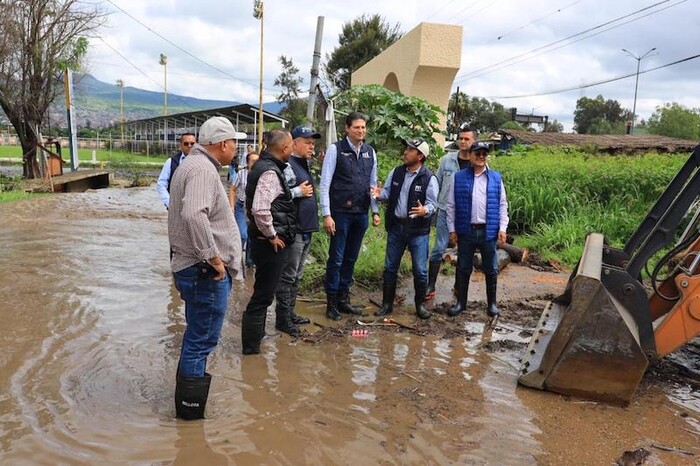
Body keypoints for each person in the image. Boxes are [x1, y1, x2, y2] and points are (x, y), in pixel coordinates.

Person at [168, 117, 245, 420]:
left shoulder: (192, 164)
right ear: (223, 144)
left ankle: (185, 406)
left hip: (192, 267)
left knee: (195, 337)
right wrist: (213, 258)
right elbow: (193, 216)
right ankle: (189, 416)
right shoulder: (201, 169)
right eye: (235, 143)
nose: (236, 149)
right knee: (201, 342)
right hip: (204, 270)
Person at [319, 112, 381, 320]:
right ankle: (332, 302)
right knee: (336, 258)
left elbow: (373, 184)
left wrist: (375, 211)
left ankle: (344, 300)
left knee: (351, 258)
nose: (361, 131)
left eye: (363, 127)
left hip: (361, 213)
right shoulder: (335, 149)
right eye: (357, 127)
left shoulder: (370, 152)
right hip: (340, 213)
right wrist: (327, 214)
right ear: (347, 128)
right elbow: (325, 183)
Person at [242, 128, 297, 354]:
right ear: (284, 148)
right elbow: (259, 209)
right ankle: (251, 349)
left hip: (262, 239)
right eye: (292, 144)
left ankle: (257, 337)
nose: (292, 148)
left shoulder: (264, 167)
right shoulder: (270, 172)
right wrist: (272, 235)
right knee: (263, 295)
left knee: (263, 292)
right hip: (269, 243)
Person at [372, 138, 439, 319]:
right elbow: (386, 193)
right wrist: (379, 195)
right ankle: (387, 304)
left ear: (420, 156)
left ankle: (420, 306)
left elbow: (433, 204)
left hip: (418, 232)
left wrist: (425, 210)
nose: (405, 152)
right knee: (390, 267)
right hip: (396, 228)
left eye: (410, 150)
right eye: (406, 148)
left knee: (420, 270)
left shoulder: (429, 178)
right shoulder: (396, 172)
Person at [446, 141, 509, 318]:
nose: (481, 157)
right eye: (478, 153)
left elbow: (503, 205)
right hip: (466, 230)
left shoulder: (496, 178)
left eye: (484, 154)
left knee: (491, 268)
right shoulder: (459, 177)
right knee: (463, 267)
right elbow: (451, 206)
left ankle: (492, 304)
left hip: (488, 231)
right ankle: (461, 303)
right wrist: (452, 229)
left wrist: (502, 228)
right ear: (471, 155)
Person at [273, 125, 320, 334]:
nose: (312, 147)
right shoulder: (287, 165)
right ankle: (282, 320)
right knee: (288, 275)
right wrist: (298, 191)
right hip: (295, 229)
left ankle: (290, 314)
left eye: (313, 143)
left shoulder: (304, 164)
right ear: (294, 143)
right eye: (308, 142)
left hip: (306, 228)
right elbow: (277, 195)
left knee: (297, 275)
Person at [425, 126, 477, 300]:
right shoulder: (447, 160)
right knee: (439, 248)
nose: (463, 142)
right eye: (461, 138)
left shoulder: (477, 162)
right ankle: (430, 285)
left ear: (473, 141)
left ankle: (458, 286)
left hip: (467, 215)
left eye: (467, 139)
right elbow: (436, 183)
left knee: (464, 251)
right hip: (445, 210)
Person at [229, 151, 259, 268]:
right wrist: (231, 206)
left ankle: (249, 262)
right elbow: (232, 189)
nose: (256, 164)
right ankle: (235, 257)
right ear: (247, 163)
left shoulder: (262, 174)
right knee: (243, 234)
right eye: (253, 161)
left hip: (255, 208)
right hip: (241, 207)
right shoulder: (241, 174)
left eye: (258, 161)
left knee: (252, 235)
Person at [157, 133, 197, 209]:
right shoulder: (171, 162)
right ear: (181, 145)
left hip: (195, 208)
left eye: (192, 144)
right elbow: (161, 184)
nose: (189, 146)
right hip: (175, 208)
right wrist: (169, 202)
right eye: (186, 143)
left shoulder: (202, 162)